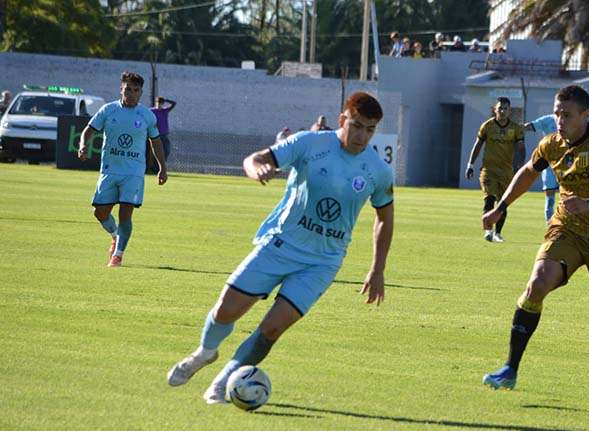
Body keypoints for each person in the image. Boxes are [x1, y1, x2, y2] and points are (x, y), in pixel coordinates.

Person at [166, 92, 395, 404]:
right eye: (356, 126)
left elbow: (384, 217)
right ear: (342, 120)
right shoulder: (309, 144)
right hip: (280, 245)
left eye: (370, 130)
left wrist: (378, 269)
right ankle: (204, 353)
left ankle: (223, 383)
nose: (362, 136)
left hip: (322, 262)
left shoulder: (378, 170)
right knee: (225, 311)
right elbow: (255, 159)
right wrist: (257, 170)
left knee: (272, 329)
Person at [481, 85, 589, 400]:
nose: (559, 120)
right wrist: (500, 207)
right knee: (536, 285)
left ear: (585, 115)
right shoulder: (551, 144)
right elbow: (528, 172)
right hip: (567, 229)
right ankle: (510, 370)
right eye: (557, 113)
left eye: (567, 115)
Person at [78, 71, 167, 267]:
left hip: (133, 173)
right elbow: (89, 130)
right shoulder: (108, 110)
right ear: (121, 89)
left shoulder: (147, 115)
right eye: (128, 90)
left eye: (135, 90)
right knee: (100, 213)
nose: (131, 94)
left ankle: (117, 255)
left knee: (125, 213)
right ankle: (115, 235)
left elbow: (156, 141)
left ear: (141, 92)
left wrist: (162, 167)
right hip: (109, 171)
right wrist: (83, 145)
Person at [465, 97, 530, 243]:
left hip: (506, 171)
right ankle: (488, 231)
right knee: (489, 199)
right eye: (500, 108)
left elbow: (521, 149)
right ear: (495, 109)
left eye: (505, 108)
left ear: (509, 111)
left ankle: (498, 233)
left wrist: (519, 166)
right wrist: (470, 165)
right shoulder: (487, 126)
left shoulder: (515, 129)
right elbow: (478, 145)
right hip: (488, 170)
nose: (502, 111)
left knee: (503, 203)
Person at [530, 114, 560, 223]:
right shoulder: (547, 119)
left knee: (567, 195)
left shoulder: (571, 119)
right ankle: (550, 224)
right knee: (550, 199)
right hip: (549, 166)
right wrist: (516, 126)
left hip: (566, 165)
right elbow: (531, 126)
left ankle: (567, 224)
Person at [150, 96, 176, 160]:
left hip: (164, 134)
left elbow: (174, 103)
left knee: (166, 150)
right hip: (155, 134)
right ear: (156, 103)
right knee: (154, 150)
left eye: (161, 103)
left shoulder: (165, 110)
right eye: (158, 103)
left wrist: (166, 100)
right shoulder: (151, 111)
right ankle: (154, 163)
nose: (159, 104)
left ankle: (164, 161)